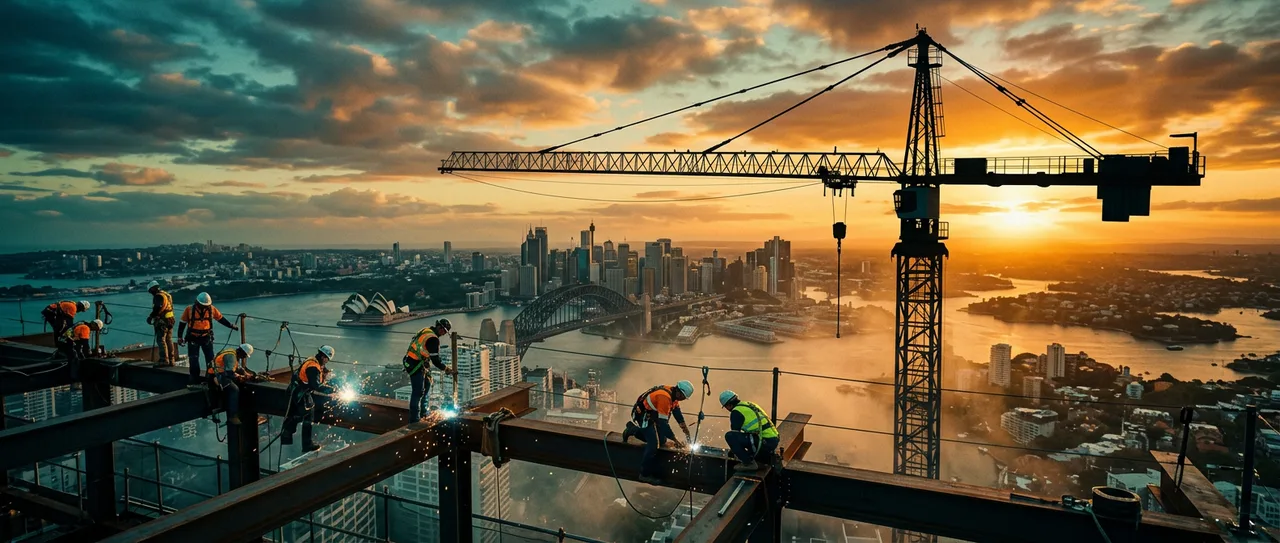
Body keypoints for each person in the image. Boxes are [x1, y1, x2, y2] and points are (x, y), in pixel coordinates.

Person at [621, 380, 695, 485]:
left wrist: (685, 429)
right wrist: (675, 440)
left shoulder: (673, 395)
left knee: (662, 440)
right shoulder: (665, 397)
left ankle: (631, 429)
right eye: (683, 397)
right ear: (679, 392)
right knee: (653, 445)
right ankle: (644, 474)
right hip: (643, 416)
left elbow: (677, 413)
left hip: (652, 416)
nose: (682, 400)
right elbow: (663, 424)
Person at [282, 346, 337, 452]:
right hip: (300, 393)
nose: (326, 362)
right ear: (323, 356)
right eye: (327, 359)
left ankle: (287, 434)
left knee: (299, 414)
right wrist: (331, 390)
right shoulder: (313, 367)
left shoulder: (312, 361)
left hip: (297, 390)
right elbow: (316, 385)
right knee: (307, 416)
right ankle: (306, 444)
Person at [176, 292, 238, 385]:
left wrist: (231, 326)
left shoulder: (212, 309)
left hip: (206, 337)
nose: (204, 307)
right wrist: (180, 337)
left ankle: (210, 380)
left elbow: (220, 319)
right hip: (193, 337)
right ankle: (194, 381)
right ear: (197, 302)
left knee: (210, 361)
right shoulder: (189, 309)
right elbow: (182, 323)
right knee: (194, 360)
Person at [402, 319, 456, 422]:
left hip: (414, 362)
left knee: (427, 384)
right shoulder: (433, 339)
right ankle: (414, 419)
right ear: (440, 328)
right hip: (415, 365)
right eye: (444, 331)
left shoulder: (426, 330)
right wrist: (446, 369)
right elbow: (435, 360)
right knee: (418, 392)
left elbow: (420, 348)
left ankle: (424, 412)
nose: (444, 334)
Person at [718, 390, 779, 472]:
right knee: (743, 437)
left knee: (730, 436)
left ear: (728, 405)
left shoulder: (736, 412)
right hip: (773, 439)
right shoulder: (749, 404)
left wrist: (736, 451)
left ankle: (749, 463)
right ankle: (753, 456)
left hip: (764, 442)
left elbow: (735, 434)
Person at [207, 343, 253, 425]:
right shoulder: (231, 356)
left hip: (218, 374)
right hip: (215, 376)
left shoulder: (233, 353)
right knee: (234, 389)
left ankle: (238, 410)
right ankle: (232, 416)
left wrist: (246, 374)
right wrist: (240, 377)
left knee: (238, 385)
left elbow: (237, 367)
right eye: (245, 355)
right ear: (242, 352)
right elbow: (230, 372)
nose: (244, 357)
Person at [145, 280, 176, 366]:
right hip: (170, 320)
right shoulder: (167, 295)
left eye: (151, 291)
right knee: (169, 340)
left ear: (153, 289)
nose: (151, 293)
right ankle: (171, 360)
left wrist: (150, 317)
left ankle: (164, 360)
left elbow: (157, 308)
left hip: (163, 321)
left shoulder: (158, 296)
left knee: (161, 340)